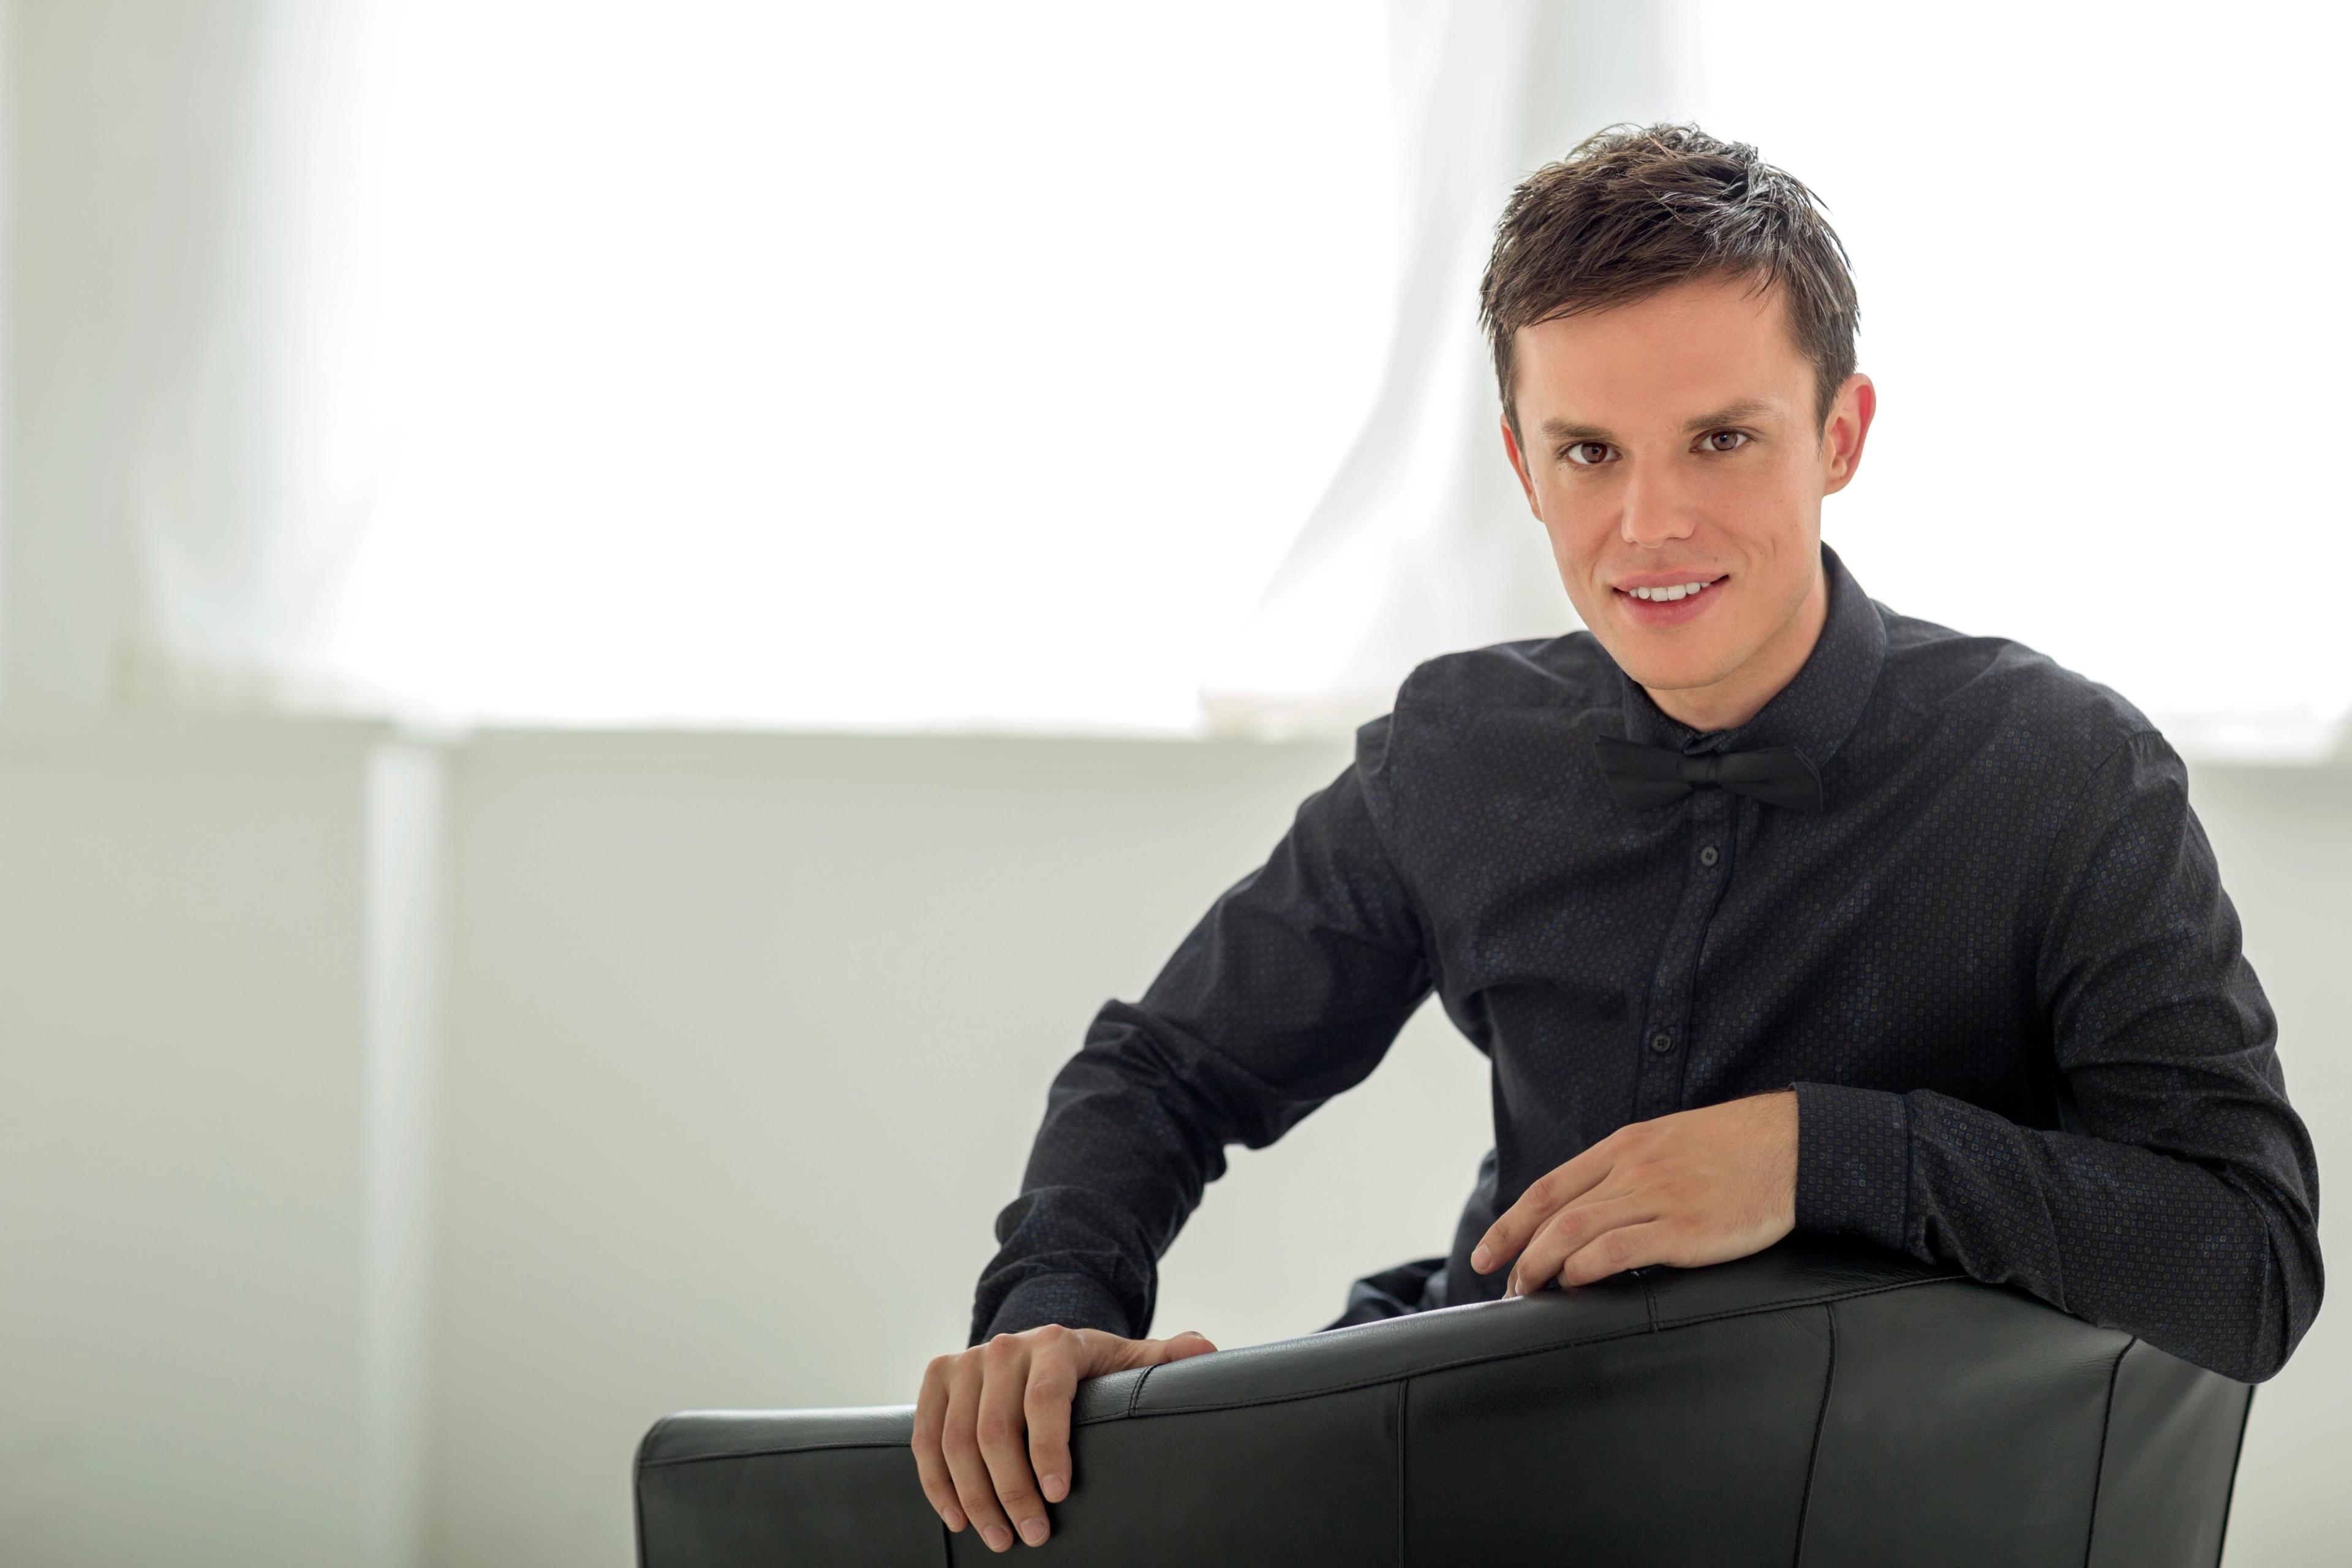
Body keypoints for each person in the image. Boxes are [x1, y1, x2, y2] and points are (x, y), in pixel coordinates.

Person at [908, 122, 2323, 1553]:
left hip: (1866, 1506)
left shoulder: (2066, 772)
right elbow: (1166, 1067)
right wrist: (1051, 1309)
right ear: (1524, 465)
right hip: (1479, 1463)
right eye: (1590, 451)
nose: (1650, 522)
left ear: (1839, 436)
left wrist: (1817, 1154)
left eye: (1722, 438)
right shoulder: (1458, 749)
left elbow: (2249, 1256)